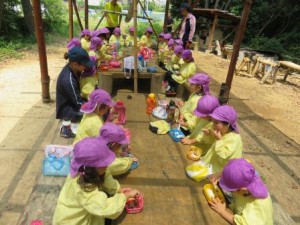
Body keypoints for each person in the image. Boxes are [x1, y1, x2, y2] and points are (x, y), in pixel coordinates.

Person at [53, 137, 140, 225]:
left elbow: (106, 177)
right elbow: (105, 208)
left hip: (71, 216)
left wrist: (118, 190)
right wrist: (124, 196)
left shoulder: (81, 171)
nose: (107, 165)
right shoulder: (85, 188)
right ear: (92, 168)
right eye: (104, 163)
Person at [209, 158, 273, 225]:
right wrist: (221, 174)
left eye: (232, 190)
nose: (230, 191)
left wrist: (222, 211)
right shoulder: (250, 177)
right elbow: (244, 162)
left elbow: (242, 223)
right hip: (239, 210)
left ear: (242, 189)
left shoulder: (255, 207)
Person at [56, 47, 95, 138]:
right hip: (68, 110)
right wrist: (94, 107)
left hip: (73, 102)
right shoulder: (68, 80)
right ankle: (67, 127)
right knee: (94, 114)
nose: (86, 67)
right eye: (84, 65)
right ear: (75, 64)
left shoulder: (74, 69)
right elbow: (78, 103)